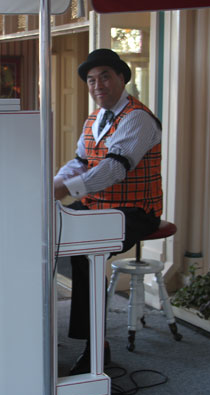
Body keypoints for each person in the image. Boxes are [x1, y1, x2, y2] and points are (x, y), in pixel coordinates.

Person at [54, 49, 162, 375]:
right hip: (98, 205)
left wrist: (65, 190)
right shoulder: (94, 119)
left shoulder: (137, 117)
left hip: (136, 210)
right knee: (53, 229)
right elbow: (80, 163)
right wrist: (52, 183)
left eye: (104, 76)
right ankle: (76, 335)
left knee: (85, 250)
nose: (97, 84)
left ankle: (95, 348)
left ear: (121, 79)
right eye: (91, 79)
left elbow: (115, 168)